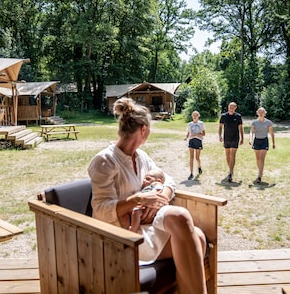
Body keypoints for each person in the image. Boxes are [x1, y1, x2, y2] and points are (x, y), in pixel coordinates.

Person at [88, 97, 208, 293]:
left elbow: (167, 179)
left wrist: (163, 196)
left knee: (192, 229)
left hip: (146, 225)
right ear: (143, 130)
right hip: (121, 234)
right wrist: (139, 199)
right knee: (190, 228)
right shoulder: (104, 161)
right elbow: (100, 211)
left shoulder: (141, 156)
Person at [249, 107, 276, 183]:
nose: (261, 113)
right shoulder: (254, 122)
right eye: (259, 112)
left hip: (264, 141)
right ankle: (260, 171)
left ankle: (259, 176)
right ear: (257, 113)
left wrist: (273, 143)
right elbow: (251, 131)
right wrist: (250, 139)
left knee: (261, 159)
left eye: (262, 112)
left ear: (264, 113)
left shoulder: (268, 122)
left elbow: (271, 133)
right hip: (257, 140)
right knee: (257, 159)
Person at [218, 102, 244, 182]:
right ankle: (230, 170)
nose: (231, 108)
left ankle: (230, 172)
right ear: (228, 107)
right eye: (230, 107)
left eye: (233, 107)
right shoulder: (223, 116)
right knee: (227, 154)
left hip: (235, 138)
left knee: (233, 155)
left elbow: (240, 128)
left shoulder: (238, 116)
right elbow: (220, 127)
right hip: (226, 138)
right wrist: (220, 136)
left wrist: (242, 138)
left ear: (235, 108)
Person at [184, 110, 206, 180]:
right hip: (191, 141)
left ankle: (199, 167)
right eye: (193, 115)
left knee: (197, 158)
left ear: (198, 116)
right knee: (191, 157)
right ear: (192, 116)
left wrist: (196, 134)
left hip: (198, 140)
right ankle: (191, 173)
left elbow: (204, 134)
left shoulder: (201, 123)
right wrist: (186, 137)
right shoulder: (189, 124)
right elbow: (188, 132)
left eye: (196, 115)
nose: (195, 116)